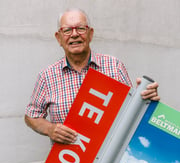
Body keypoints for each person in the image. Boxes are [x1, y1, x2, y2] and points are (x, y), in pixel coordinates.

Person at [25, 8, 160, 144]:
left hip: (108, 158)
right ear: (58, 38)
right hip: (68, 162)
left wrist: (145, 99)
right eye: (67, 30)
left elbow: (131, 111)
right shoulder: (47, 76)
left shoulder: (114, 66)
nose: (74, 34)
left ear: (90, 34)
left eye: (81, 29)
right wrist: (49, 129)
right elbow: (31, 116)